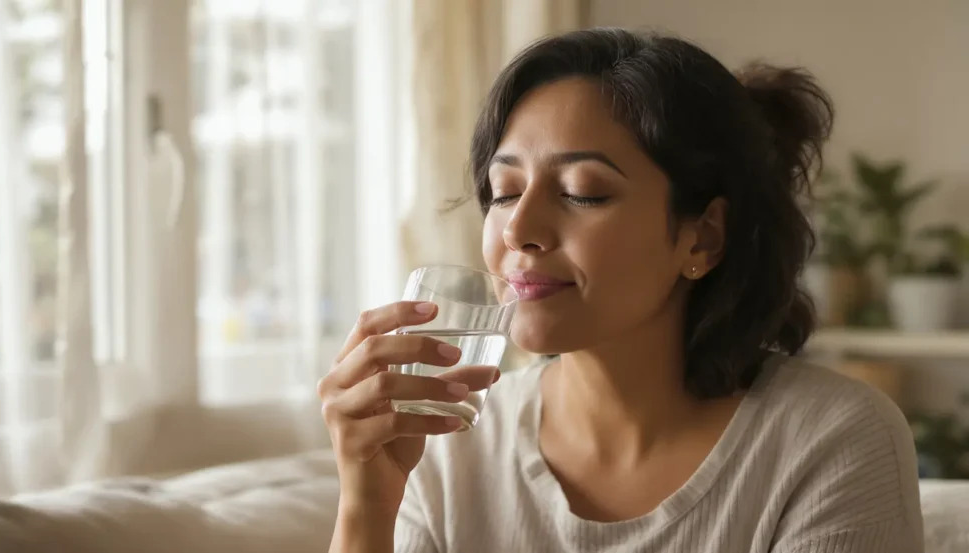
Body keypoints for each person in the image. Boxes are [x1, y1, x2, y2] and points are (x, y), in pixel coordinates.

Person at [317, 28, 923, 553]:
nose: (520, 230)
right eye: (504, 191)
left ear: (702, 238)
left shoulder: (830, 440)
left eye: (583, 191)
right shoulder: (450, 443)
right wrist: (365, 504)